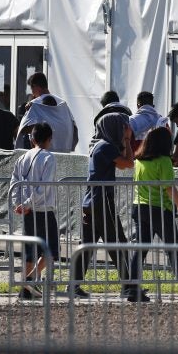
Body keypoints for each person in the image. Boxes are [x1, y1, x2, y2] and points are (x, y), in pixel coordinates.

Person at [126, 126, 178, 302]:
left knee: (140, 250)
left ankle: (132, 289)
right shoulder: (163, 161)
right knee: (173, 250)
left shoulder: (139, 160)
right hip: (160, 209)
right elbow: (169, 187)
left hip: (139, 207)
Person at [71, 113, 134, 299]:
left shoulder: (99, 145)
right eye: (123, 127)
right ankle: (129, 286)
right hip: (102, 202)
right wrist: (129, 140)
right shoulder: (106, 147)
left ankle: (73, 285)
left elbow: (122, 163)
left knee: (87, 246)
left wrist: (124, 140)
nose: (125, 130)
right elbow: (128, 163)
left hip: (92, 201)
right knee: (118, 243)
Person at [9, 122, 59, 300]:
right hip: (43, 209)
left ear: (32, 139)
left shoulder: (22, 158)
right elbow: (44, 187)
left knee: (31, 250)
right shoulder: (48, 158)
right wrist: (28, 203)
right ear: (49, 139)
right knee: (52, 251)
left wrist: (19, 202)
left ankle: (26, 286)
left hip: (28, 211)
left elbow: (14, 181)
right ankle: (29, 281)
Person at [15, 72, 79, 152]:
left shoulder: (34, 104)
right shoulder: (63, 104)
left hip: (43, 153)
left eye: (32, 89)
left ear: (35, 86)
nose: (33, 94)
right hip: (64, 152)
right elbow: (74, 128)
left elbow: (23, 131)